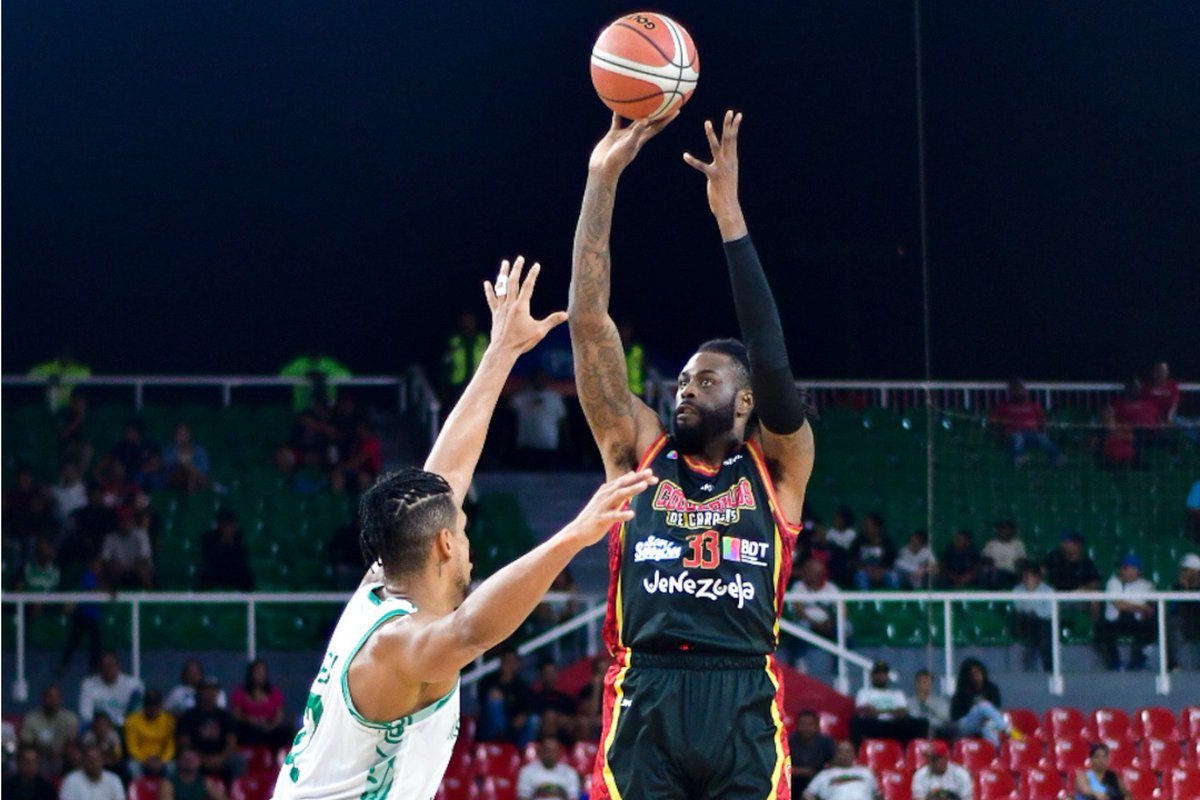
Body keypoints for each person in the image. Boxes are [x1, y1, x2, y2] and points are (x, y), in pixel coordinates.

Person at [273, 258, 654, 800]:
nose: (470, 545)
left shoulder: (379, 585)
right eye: (465, 528)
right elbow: (472, 631)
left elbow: (444, 479)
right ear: (445, 543)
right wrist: (575, 534)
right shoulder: (395, 646)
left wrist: (501, 352)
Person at [568, 110, 815, 800]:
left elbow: (771, 357)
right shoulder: (638, 449)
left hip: (742, 694)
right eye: (681, 380)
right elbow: (589, 326)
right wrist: (601, 181)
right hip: (646, 692)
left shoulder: (779, 465)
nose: (684, 388)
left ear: (744, 402)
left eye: (705, 381)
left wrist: (730, 219)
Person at [1095, 554, 1156, 671]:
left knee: (1152, 627)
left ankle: (1138, 661)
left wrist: (1147, 609)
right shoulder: (1113, 582)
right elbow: (1119, 604)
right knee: (1102, 628)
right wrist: (1142, 608)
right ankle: (1115, 662)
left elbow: (1152, 607)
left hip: (1137, 621)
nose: (1122, 570)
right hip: (1115, 621)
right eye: (1122, 568)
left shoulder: (1146, 585)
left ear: (1137, 570)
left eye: (1126, 568)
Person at [176, 677, 241, 781]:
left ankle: (234, 790)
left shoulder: (225, 716)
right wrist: (202, 758)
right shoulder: (188, 716)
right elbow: (184, 743)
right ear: (199, 692)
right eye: (207, 689)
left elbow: (231, 742)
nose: (211, 693)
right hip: (196, 758)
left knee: (238, 762)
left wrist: (220, 758)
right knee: (186, 761)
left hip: (220, 758)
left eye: (214, 690)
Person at [989, 379, 1061, 466]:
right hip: (1013, 433)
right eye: (1015, 390)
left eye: (1020, 389)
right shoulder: (1003, 406)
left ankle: (1056, 457)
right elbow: (993, 422)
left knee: (1042, 438)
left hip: (1032, 433)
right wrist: (998, 435)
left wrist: (1043, 431)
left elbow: (1042, 421)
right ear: (1010, 392)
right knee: (1018, 437)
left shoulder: (1033, 406)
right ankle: (1017, 458)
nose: (1018, 392)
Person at [850, 661, 925, 745]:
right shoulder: (864, 693)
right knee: (857, 722)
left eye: (883, 673)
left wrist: (879, 711)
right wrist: (892, 711)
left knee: (920, 723)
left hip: (894, 725)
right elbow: (866, 711)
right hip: (874, 725)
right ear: (872, 676)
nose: (880, 676)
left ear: (887, 676)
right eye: (878, 673)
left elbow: (902, 712)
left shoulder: (897, 693)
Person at [510, 369, 570, 470]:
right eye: (536, 378)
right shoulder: (523, 396)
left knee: (548, 475)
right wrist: (521, 388)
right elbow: (509, 405)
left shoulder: (554, 397)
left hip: (548, 444)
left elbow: (562, 419)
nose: (539, 381)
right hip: (528, 445)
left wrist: (566, 438)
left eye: (542, 378)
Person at [477, 648, 537, 745]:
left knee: (533, 720)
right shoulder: (488, 681)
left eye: (512, 661)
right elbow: (482, 700)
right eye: (507, 661)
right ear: (501, 662)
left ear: (518, 664)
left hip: (514, 726)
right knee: (495, 702)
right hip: (491, 728)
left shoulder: (522, 686)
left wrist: (523, 716)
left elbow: (530, 706)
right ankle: (500, 739)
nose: (509, 665)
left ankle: (524, 750)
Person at [230, 659, 292, 748]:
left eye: (263, 672)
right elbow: (236, 715)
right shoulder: (240, 693)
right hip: (248, 727)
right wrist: (249, 719)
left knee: (284, 732)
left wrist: (270, 727)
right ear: (251, 673)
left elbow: (279, 717)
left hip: (270, 727)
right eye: (258, 672)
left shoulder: (275, 693)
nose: (260, 675)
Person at [949, 659, 1012, 746]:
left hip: (984, 723)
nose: (977, 675)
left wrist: (986, 719)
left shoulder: (991, 689)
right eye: (973, 673)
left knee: (987, 727)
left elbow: (995, 709)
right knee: (983, 706)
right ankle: (1006, 728)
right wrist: (979, 717)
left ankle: (995, 751)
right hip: (965, 724)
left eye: (978, 672)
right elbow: (956, 716)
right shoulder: (961, 693)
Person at [19, 685, 79, 775]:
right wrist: (44, 751)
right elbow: (26, 743)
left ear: (61, 699)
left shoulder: (69, 718)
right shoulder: (31, 718)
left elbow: (72, 741)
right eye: (49, 696)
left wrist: (59, 752)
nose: (52, 700)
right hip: (39, 755)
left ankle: (73, 780)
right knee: (28, 756)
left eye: (56, 697)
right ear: (43, 699)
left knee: (75, 755)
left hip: (62, 756)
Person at [79, 652, 144, 726]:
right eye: (104, 666)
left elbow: (137, 713)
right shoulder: (88, 685)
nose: (108, 669)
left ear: (118, 666)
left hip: (127, 725)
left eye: (112, 665)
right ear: (99, 669)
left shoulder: (134, 685)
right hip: (100, 727)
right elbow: (86, 715)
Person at [1011, 561, 1054, 671]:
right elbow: (1018, 608)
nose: (1026, 579)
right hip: (1024, 623)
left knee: (1044, 630)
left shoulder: (1048, 591)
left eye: (1029, 576)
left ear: (1037, 577)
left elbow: (1049, 612)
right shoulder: (1017, 590)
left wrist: (1036, 613)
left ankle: (1048, 667)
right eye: (1024, 576)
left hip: (1042, 624)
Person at [198, 510, 255, 591]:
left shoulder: (239, 537)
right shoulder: (209, 537)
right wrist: (222, 542)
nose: (228, 527)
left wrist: (231, 543)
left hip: (233, 570)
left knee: (246, 573)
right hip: (216, 569)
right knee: (206, 573)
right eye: (225, 524)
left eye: (230, 524)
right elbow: (208, 557)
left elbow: (242, 557)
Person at [441, 312, 490, 405]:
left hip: (479, 383)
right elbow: (445, 364)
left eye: (470, 320)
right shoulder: (454, 341)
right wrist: (443, 387)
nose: (468, 323)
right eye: (465, 320)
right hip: (458, 385)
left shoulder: (483, 339)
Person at [124, 689, 175, 778]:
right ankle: (141, 787)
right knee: (132, 767)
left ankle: (166, 786)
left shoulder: (168, 720)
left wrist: (162, 760)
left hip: (161, 759)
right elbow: (132, 747)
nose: (152, 708)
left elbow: (170, 746)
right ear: (144, 705)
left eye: (155, 705)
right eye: (149, 705)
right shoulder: (132, 720)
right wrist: (145, 760)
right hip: (141, 759)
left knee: (172, 767)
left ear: (160, 705)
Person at [802, 740, 878, 800]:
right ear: (835, 754)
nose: (844, 754)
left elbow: (877, 795)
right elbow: (807, 795)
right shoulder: (824, 774)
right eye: (840, 751)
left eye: (848, 751)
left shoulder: (866, 772)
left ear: (854, 754)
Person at [281, 351, 352, 413]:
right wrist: (305, 375)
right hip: (303, 407)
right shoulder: (300, 363)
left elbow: (346, 375)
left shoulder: (328, 363)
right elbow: (284, 374)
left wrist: (325, 375)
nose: (316, 354)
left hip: (327, 408)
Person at [100, 507, 154, 589]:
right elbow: (105, 559)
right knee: (105, 569)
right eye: (122, 519)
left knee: (143, 569)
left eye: (128, 519)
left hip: (136, 569)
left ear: (133, 520)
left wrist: (129, 567)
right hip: (118, 570)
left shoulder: (141, 535)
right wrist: (117, 567)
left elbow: (144, 558)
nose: (125, 522)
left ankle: (150, 595)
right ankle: (111, 595)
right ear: (117, 521)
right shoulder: (110, 538)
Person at [516, 735, 581, 800]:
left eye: (554, 751)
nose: (550, 754)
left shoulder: (570, 772)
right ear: (540, 751)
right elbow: (523, 797)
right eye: (547, 750)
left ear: (559, 753)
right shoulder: (527, 771)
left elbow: (573, 797)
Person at [530, 659, 578, 744]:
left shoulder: (566, 698)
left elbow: (574, 716)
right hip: (544, 733)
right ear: (541, 676)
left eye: (552, 672)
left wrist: (564, 719)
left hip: (566, 730)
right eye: (547, 673)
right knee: (549, 718)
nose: (550, 676)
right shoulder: (535, 698)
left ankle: (579, 749)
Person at [788, 710, 835, 797]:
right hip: (793, 781)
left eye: (810, 725)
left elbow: (833, 763)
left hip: (818, 780)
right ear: (797, 725)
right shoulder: (789, 741)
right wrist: (803, 771)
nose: (806, 728)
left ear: (817, 726)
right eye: (802, 724)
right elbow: (781, 766)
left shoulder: (826, 742)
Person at [28, 348, 91, 413]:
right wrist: (49, 377)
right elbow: (32, 373)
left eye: (69, 355)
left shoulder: (75, 368)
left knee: (80, 400)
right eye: (64, 354)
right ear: (59, 355)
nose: (66, 358)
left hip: (68, 404)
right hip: (49, 401)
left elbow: (86, 373)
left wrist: (61, 377)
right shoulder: (50, 367)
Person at [1167, 553, 1200, 670]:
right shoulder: (1177, 587)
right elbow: (1174, 609)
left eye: (1186, 570)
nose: (1182, 573)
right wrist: (1184, 589)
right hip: (1184, 623)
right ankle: (1175, 664)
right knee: (1173, 624)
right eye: (1182, 570)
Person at [59, 744, 124, 800]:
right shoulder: (71, 780)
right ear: (84, 761)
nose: (93, 763)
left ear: (102, 760)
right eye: (90, 759)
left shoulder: (114, 780)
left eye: (96, 759)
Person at [852, 513, 899, 590]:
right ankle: (864, 598)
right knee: (860, 577)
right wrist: (865, 569)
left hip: (882, 572)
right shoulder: (859, 541)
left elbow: (892, 562)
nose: (865, 529)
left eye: (868, 526)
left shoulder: (887, 542)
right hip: (864, 572)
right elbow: (852, 560)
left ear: (877, 528)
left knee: (893, 577)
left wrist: (881, 571)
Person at [161, 748, 228, 800]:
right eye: (185, 759)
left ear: (199, 762)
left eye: (192, 759)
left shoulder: (205, 782)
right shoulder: (168, 782)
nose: (189, 762)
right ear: (179, 762)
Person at [162, 424, 211, 493]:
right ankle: (212, 486)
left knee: (191, 474)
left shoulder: (198, 449)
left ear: (189, 435)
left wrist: (191, 466)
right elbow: (166, 466)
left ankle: (192, 496)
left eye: (185, 434)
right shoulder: (169, 449)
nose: (183, 437)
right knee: (186, 466)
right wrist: (179, 453)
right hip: (175, 478)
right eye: (180, 434)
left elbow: (205, 467)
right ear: (175, 435)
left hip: (196, 478)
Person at [907, 669, 953, 740]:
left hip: (937, 732)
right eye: (918, 682)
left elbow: (946, 718)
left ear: (931, 684)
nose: (921, 685)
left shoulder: (940, 702)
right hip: (915, 733)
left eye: (925, 682)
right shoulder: (909, 702)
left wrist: (926, 702)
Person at [980, 520, 1026, 589]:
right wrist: (988, 561)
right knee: (988, 573)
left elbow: (1022, 559)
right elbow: (984, 558)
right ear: (998, 531)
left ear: (1012, 531)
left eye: (1007, 529)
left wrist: (1019, 563)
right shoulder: (991, 543)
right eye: (1002, 529)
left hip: (1011, 572)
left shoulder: (1018, 544)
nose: (1005, 532)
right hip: (994, 571)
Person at [80, 711, 125, 781]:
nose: (101, 727)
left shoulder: (113, 737)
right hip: (92, 766)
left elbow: (118, 755)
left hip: (110, 765)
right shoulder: (88, 738)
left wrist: (103, 762)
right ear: (94, 725)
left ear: (108, 725)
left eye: (103, 724)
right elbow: (85, 757)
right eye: (98, 724)